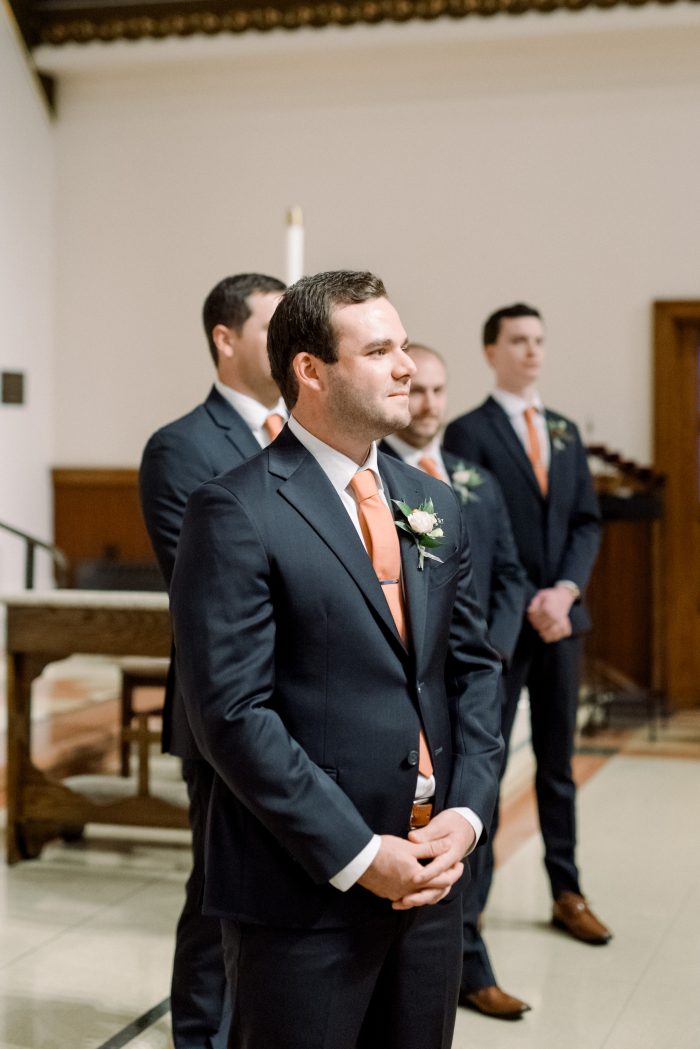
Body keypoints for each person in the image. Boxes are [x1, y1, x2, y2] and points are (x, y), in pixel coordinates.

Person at [169, 271, 504, 1049]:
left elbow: (472, 668)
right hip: (304, 890)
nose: (407, 368)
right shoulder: (236, 508)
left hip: (430, 878)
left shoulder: (434, 504)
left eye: (402, 346)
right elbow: (231, 712)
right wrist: (357, 852)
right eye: (379, 349)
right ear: (310, 370)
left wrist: (467, 812)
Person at [139, 272, 286, 1049]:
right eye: (273, 325)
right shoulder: (182, 447)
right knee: (218, 891)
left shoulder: (307, 432)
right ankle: (198, 1036)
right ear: (226, 339)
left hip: (303, 705)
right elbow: (209, 591)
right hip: (224, 707)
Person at [443, 303, 612, 958]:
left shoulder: (565, 431)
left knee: (557, 762)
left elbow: (586, 523)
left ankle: (566, 888)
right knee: (484, 763)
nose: (533, 351)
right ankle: (470, 908)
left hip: (560, 620)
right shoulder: (468, 433)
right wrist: (521, 604)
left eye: (539, 340)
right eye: (519, 340)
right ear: (492, 351)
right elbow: (470, 533)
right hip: (499, 627)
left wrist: (564, 592)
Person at [382, 342, 531, 1020]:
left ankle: (469, 955)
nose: (429, 403)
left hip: (473, 682)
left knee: (475, 819)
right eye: (417, 389)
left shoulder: (473, 482)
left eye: (439, 390)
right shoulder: (373, 480)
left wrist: (486, 657)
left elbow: (509, 576)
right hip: (406, 701)